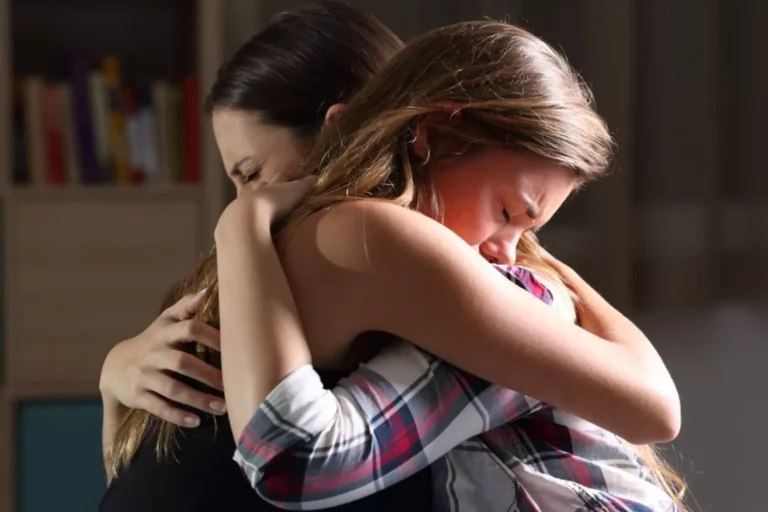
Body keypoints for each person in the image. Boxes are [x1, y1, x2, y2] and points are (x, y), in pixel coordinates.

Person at [212, 20, 687, 511]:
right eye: (507, 213)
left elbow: (656, 409)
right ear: (433, 133)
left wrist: (239, 226)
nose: (506, 251)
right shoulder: (367, 238)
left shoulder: (499, 287)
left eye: (527, 231)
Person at [99, 3, 433, 512]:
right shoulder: (261, 268)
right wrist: (113, 382)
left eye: (252, 174)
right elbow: (127, 467)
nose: (245, 201)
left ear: (337, 133)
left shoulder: (345, 249)